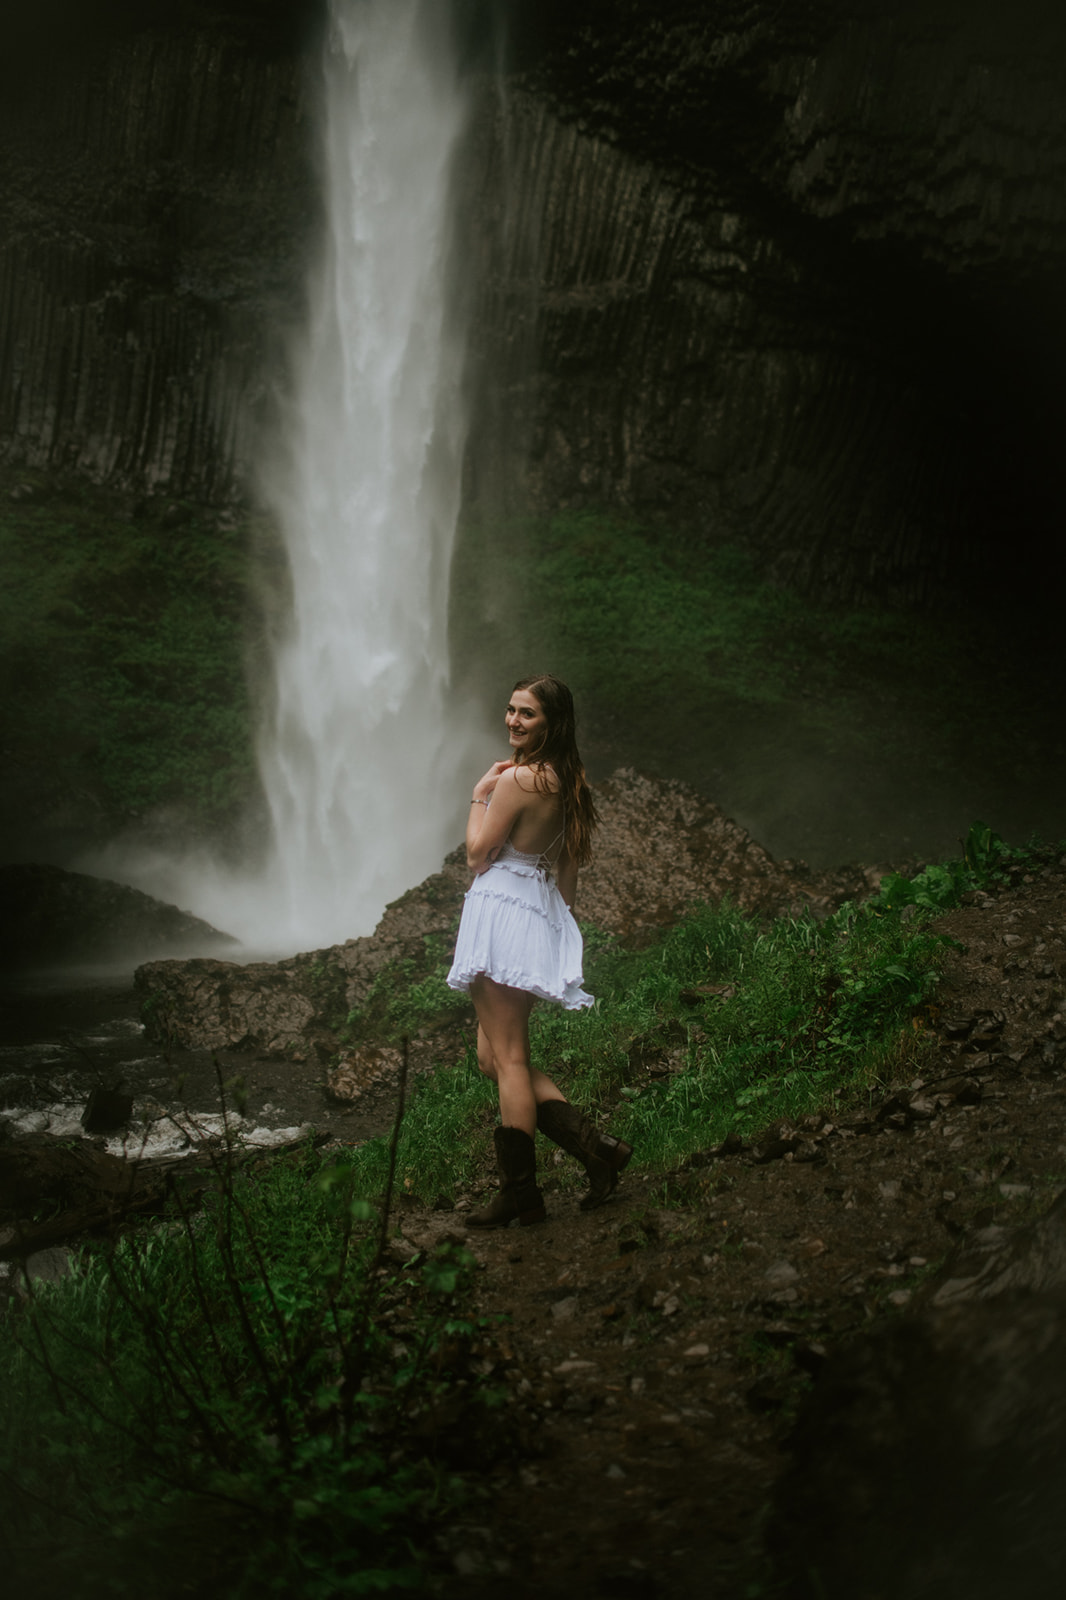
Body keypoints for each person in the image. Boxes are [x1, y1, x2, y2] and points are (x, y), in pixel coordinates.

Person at [446, 673, 632, 1227]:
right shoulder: (570, 780)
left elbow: (478, 855)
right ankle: (597, 1150)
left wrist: (479, 794)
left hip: (502, 912)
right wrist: (549, 928)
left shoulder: (517, 780)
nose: (513, 721)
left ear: (552, 723)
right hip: (534, 914)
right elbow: (568, 881)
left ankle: (520, 1193)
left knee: (509, 1062)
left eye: (526, 714)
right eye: (510, 710)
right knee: (493, 1057)